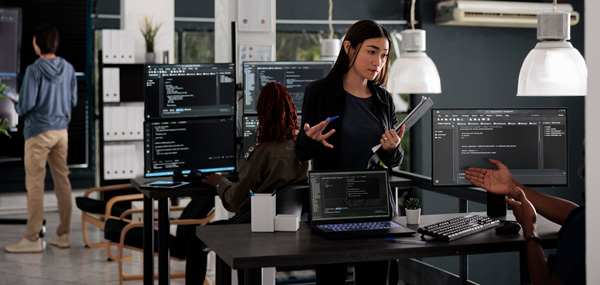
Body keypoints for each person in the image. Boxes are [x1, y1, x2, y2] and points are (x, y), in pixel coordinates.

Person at [294, 19, 405, 285]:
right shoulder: (319, 92)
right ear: (348, 48)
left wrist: (392, 149)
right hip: (332, 205)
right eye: (371, 51)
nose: (378, 61)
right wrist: (310, 140)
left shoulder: (383, 100)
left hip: (375, 206)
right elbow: (300, 151)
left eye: (384, 54)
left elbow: (394, 162)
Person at [181, 82, 307, 283]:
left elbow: (234, 201)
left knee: (197, 240)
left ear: (262, 113)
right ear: (291, 109)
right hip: (288, 229)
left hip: (252, 227)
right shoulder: (303, 151)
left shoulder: (262, 153)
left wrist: (219, 181)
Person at [5, 24, 77, 253]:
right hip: (61, 133)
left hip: (38, 134)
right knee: (62, 183)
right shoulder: (68, 68)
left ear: (37, 43)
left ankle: (32, 239)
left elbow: (26, 105)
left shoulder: (35, 70)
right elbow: (73, 101)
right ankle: (63, 236)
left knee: (35, 185)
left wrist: (13, 100)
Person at [465, 158, 585, 284]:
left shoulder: (583, 226)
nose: (584, 142)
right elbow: (576, 213)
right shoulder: (589, 217)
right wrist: (511, 187)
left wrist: (530, 231)